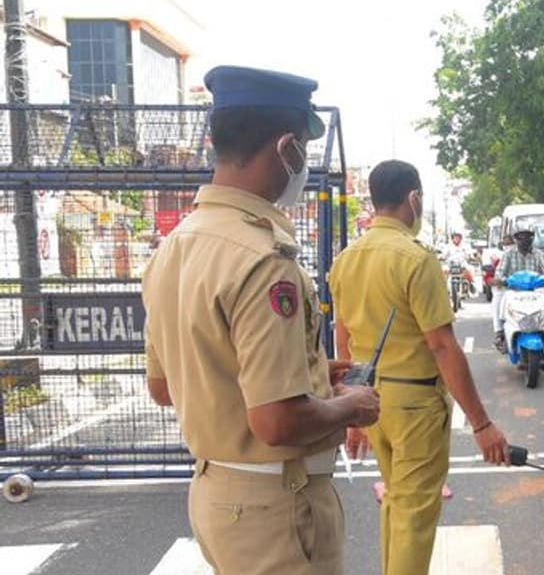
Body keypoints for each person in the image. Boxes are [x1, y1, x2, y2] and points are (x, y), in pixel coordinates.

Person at [143, 65, 380, 575]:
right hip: (277, 507)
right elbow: (277, 421)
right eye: (304, 151)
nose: (303, 164)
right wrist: (350, 406)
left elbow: (166, 387)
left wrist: (313, 375)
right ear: (286, 148)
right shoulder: (264, 259)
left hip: (216, 496)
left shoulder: (176, 247)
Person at [329, 160, 510, 575]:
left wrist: (353, 413)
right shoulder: (416, 259)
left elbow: (345, 340)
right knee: (413, 515)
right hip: (415, 406)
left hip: (372, 402)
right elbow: (443, 346)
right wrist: (482, 425)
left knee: (396, 503)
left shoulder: (347, 259)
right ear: (413, 199)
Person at [491, 226, 544, 351]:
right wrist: (502, 281)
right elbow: (499, 273)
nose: (524, 239)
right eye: (521, 237)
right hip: (513, 290)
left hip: (535, 290)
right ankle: (500, 332)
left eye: (527, 236)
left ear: (532, 238)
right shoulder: (508, 254)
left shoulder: (538, 254)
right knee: (498, 297)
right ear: (515, 239)